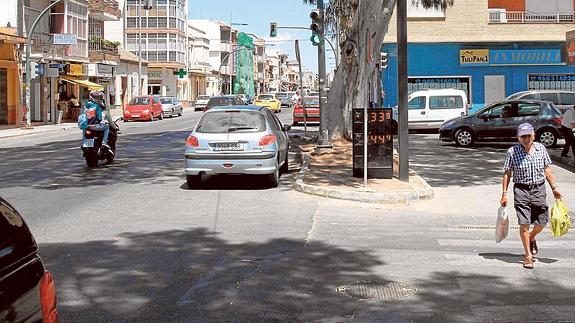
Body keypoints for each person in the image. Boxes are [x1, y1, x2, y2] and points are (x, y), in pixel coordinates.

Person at [500, 123, 562, 269]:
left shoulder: (541, 149)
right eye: (523, 136)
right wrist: (504, 194)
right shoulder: (512, 152)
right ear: (518, 138)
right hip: (521, 190)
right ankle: (528, 256)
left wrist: (554, 188)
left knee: (542, 221)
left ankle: (532, 237)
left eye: (529, 135)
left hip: (539, 189)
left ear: (534, 135)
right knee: (524, 224)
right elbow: (507, 173)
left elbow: (547, 169)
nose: (526, 139)